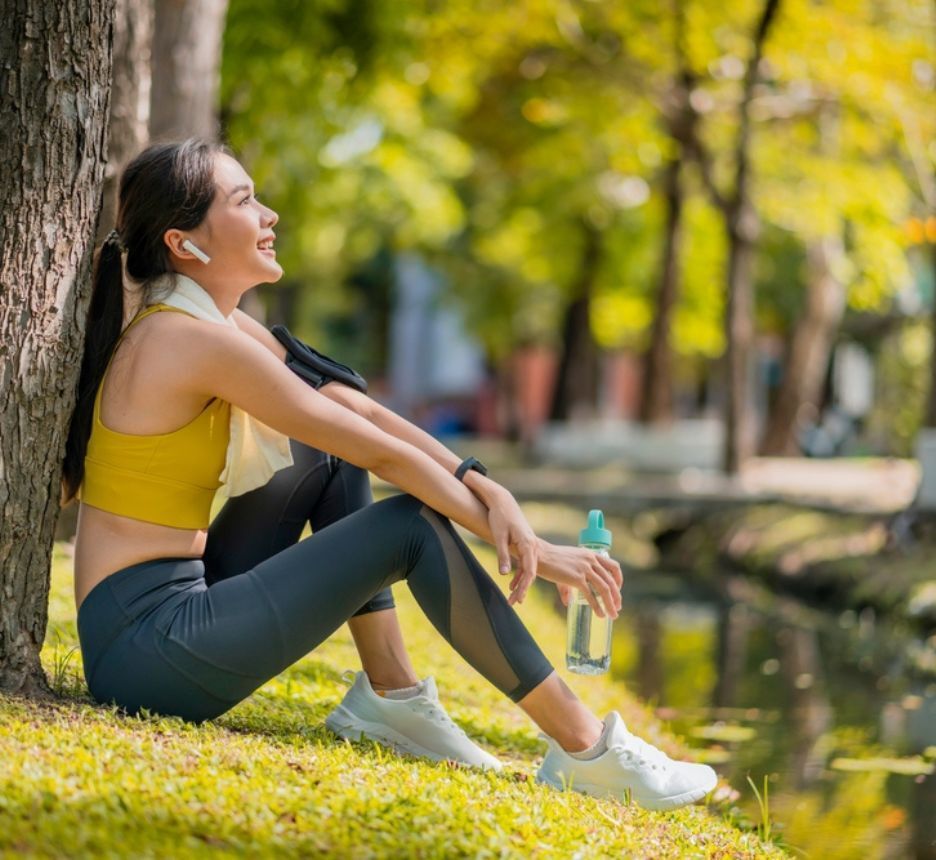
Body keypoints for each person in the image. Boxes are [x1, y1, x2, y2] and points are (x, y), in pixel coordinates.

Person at [61, 139, 717, 811]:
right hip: (149, 652)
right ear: (184, 242)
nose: (270, 214)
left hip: (176, 604)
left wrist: (481, 479)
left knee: (331, 454)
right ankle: (588, 750)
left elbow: (353, 409)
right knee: (407, 525)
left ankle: (391, 697)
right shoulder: (188, 339)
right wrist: (536, 551)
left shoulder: (209, 321)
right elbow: (385, 457)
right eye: (245, 201)